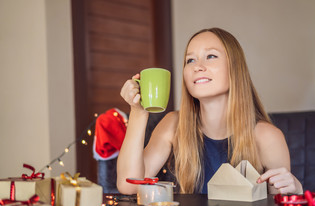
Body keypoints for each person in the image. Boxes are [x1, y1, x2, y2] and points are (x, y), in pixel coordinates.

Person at [117, 27, 303, 195]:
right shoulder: (173, 124)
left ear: (235, 68)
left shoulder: (268, 136)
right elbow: (129, 186)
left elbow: (280, 203)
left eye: (211, 56)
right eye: (190, 60)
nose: (198, 66)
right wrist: (138, 112)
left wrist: (294, 189)